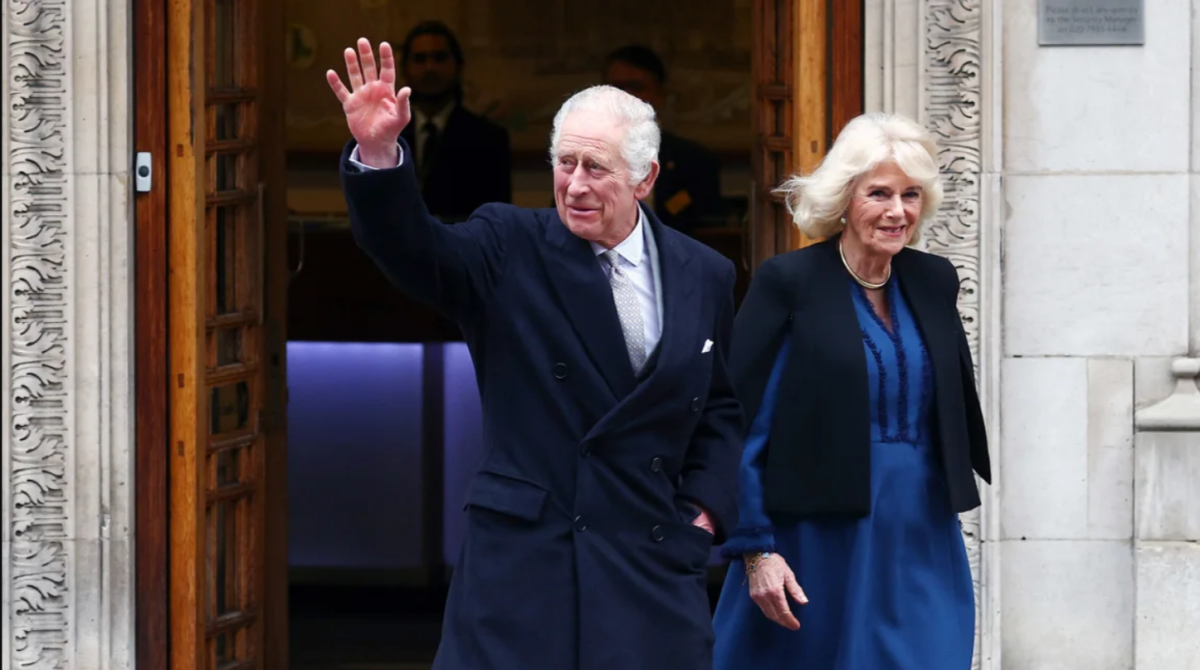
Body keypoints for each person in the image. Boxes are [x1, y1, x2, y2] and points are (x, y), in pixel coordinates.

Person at [327, 38, 743, 670]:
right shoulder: (508, 245)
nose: (574, 185)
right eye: (564, 162)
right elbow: (417, 253)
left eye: (595, 168)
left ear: (646, 177)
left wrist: (703, 516)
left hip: (648, 566)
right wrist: (380, 154)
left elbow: (717, 409)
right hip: (528, 568)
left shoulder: (704, 273)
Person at [710, 112, 992, 670]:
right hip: (817, 537)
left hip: (921, 535)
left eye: (911, 194)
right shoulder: (789, 283)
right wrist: (756, 548)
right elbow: (739, 424)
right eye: (880, 193)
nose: (897, 211)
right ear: (844, 197)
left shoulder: (933, 281)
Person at [602, 44, 726, 234]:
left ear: (658, 94)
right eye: (617, 88)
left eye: (636, 87)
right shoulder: (579, 156)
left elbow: (709, 236)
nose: (625, 97)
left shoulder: (696, 162)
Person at [399, 21, 511, 221]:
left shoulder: (488, 138)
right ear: (405, 70)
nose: (430, 67)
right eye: (420, 59)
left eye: (440, 58)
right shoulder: (390, 138)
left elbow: (496, 221)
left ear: (458, 66)